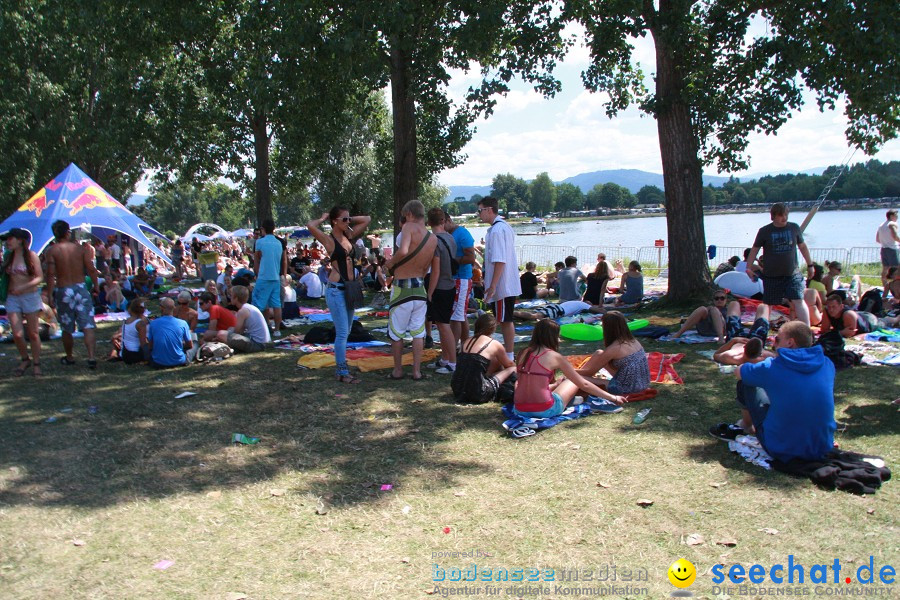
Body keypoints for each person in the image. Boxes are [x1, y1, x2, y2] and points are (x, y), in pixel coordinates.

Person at [711, 321, 836, 464]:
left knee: (746, 382)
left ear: (790, 343)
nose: (774, 344)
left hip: (782, 448)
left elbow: (739, 372)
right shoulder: (827, 363)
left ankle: (747, 424)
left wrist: (749, 359)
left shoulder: (772, 366)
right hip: (822, 446)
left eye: (777, 339)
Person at [307, 207, 372, 382]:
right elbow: (310, 225)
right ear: (335, 221)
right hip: (336, 290)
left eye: (349, 219)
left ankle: (342, 367)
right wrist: (323, 218)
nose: (348, 222)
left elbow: (366, 218)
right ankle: (342, 372)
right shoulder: (329, 241)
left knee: (348, 330)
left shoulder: (348, 236)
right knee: (342, 332)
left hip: (349, 288)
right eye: (344, 219)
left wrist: (348, 217)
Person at [513, 319, 624, 419]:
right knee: (571, 380)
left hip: (519, 409)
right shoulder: (554, 356)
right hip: (544, 410)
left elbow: (527, 383)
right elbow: (583, 384)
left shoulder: (522, 353)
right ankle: (587, 402)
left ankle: (570, 400)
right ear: (553, 337)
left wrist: (556, 385)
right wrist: (613, 398)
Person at [382, 200, 436, 381]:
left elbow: (404, 250)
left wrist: (390, 263)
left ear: (410, 215)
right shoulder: (432, 238)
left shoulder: (409, 228)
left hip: (402, 288)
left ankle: (398, 370)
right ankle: (416, 371)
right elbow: (431, 266)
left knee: (396, 332)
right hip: (420, 288)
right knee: (418, 332)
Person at [745, 203, 814, 325]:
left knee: (798, 299)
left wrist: (810, 265)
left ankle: (807, 331)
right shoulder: (765, 231)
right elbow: (755, 249)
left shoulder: (794, 228)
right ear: (773, 216)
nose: (785, 218)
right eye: (781, 215)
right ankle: (761, 330)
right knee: (768, 304)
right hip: (771, 275)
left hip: (792, 273)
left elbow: (802, 247)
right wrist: (748, 267)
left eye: (786, 214)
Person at [45, 220, 100, 368]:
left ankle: (69, 356)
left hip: (63, 289)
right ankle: (91, 357)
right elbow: (91, 269)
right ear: (68, 232)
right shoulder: (80, 249)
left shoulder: (52, 251)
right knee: (88, 325)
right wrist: (96, 285)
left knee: (67, 327)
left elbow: (50, 275)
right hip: (81, 288)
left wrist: (50, 294)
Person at [478, 196, 521, 361]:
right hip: (505, 283)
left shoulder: (497, 230)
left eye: (481, 210)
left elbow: (500, 260)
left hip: (503, 284)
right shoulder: (502, 227)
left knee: (504, 319)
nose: (479, 214)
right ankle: (506, 352)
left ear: (489, 210)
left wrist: (493, 285)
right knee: (503, 318)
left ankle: (509, 354)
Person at [576, 311, 650, 396]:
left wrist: (567, 370)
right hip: (642, 383)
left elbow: (590, 372)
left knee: (578, 378)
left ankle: (580, 376)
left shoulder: (614, 348)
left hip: (626, 389)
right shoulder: (633, 340)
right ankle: (582, 373)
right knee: (599, 353)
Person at [2, 228, 44, 376]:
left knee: (33, 333)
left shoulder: (31, 256)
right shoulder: (8, 256)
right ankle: (25, 359)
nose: (7, 242)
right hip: (12, 298)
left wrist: (23, 287)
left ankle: (37, 363)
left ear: (20, 240)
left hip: (30, 297)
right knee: (17, 334)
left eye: (10, 239)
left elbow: (39, 277)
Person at [451, 313, 517, 403]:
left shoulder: (467, 341)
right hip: (479, 392)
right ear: (492, 328)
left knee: (490, 361)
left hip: (457, 388)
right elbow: (509, 365)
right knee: (513, 368)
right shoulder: (493, 343)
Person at [426, 207, 458, 374]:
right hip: (450, 285)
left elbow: (435, 270)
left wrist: (429, 292)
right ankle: (445, 359)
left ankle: (452, 362)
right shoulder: (450, 238)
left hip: (441, 286)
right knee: (441, 324)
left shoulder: (434, 240)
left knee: (444, 326)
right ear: (443, 221)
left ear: (429, 222)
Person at [443, 210, 477, 346]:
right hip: (452, 278)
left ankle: (453, 350)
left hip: (462, 278)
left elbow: (471, 258)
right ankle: (464, 346)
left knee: (456, 317)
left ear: (448, 221)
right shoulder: (447, 234)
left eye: (442, 224)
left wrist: (452, 260)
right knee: (460, 315)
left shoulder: (462, 233)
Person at [253, 218, 286, 336]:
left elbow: (256, 260)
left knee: (259, 304)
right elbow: (283, 260)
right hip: (275, 277)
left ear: (263, 229)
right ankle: (277, 330)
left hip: (263, 277)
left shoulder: (260, 242)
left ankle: (261, 328)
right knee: (276, 305)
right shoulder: (279, 243)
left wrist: (256, 274)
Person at [215, 284, 271, 353]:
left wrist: (225, 333)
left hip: (258, 345)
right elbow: (241, 330)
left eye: (231, 296)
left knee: (221, 334)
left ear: (236, 298)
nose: (230, 297)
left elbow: (236, 332)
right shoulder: (249, 307)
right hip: (263, 342)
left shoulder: (242, 311)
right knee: (225, 333)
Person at [147, 297, 194, 368]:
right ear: (174, 308)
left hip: (158, 362)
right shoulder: (182, 323)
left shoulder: (153, 323)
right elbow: (190, 345)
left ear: (161, 308)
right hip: (179, 361)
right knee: (195, 342)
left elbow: (150, 346)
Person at [118, 298, 150, 364]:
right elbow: (143, 344)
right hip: (135, 355)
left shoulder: (126, 321)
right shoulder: (140, 324)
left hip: (125, 354)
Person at [513, 299, 602, 321]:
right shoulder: (584, 305)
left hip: (554, 306)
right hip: (558, 310)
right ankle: (511, 313)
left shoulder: (576, 302)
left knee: (533, 314)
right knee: (535, 316)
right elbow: (598, 311)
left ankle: (514, 315)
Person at [876, 209, 900, 290]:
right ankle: (896, 287)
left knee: (885, 268)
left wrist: (885, 241)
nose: (897, 217)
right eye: (896, 215)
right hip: (892, 248)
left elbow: (877, 239)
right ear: (891, 216)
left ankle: (886, 286)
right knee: (896, 269)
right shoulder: (892, 224)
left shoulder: (881, 225)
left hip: (884, 248)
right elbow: (895, 236)